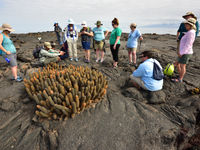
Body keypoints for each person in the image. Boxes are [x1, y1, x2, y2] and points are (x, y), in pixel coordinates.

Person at [172, 18, 196, 82]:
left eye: (186, 25)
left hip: (185, 53)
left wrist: (181, 53)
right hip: (184, 52)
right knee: (177, 63)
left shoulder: (191, 32)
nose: (185, 26)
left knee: (182, 66)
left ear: (190, 25)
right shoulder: (189, 32)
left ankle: (180, 79)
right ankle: (180, 75)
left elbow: (188, 44)